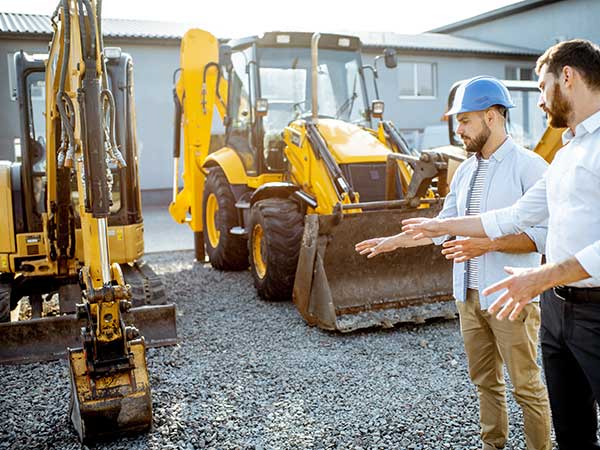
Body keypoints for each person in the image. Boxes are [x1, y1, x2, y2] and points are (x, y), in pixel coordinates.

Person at [402, 39, 600, 450]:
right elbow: (509, 217)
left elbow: (532, 233)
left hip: (590, 307)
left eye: (542, 87)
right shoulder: (567, 152)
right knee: (573, 428)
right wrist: (434, 227)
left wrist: (538, 273)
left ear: (567, 77)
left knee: (534, 392)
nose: (541, 102)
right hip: (556, 306)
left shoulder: (554, 157)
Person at [356, 76, 551, 450]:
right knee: (485, 383)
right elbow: (442, 226)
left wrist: (485, 245)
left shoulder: (530, 167)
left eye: (465, 120)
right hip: (468, 297)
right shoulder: (464, 171)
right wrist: (392, 243)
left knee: (526, 386)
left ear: (492, 117)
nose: (457, 129)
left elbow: (542, 237)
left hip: (511, 298)